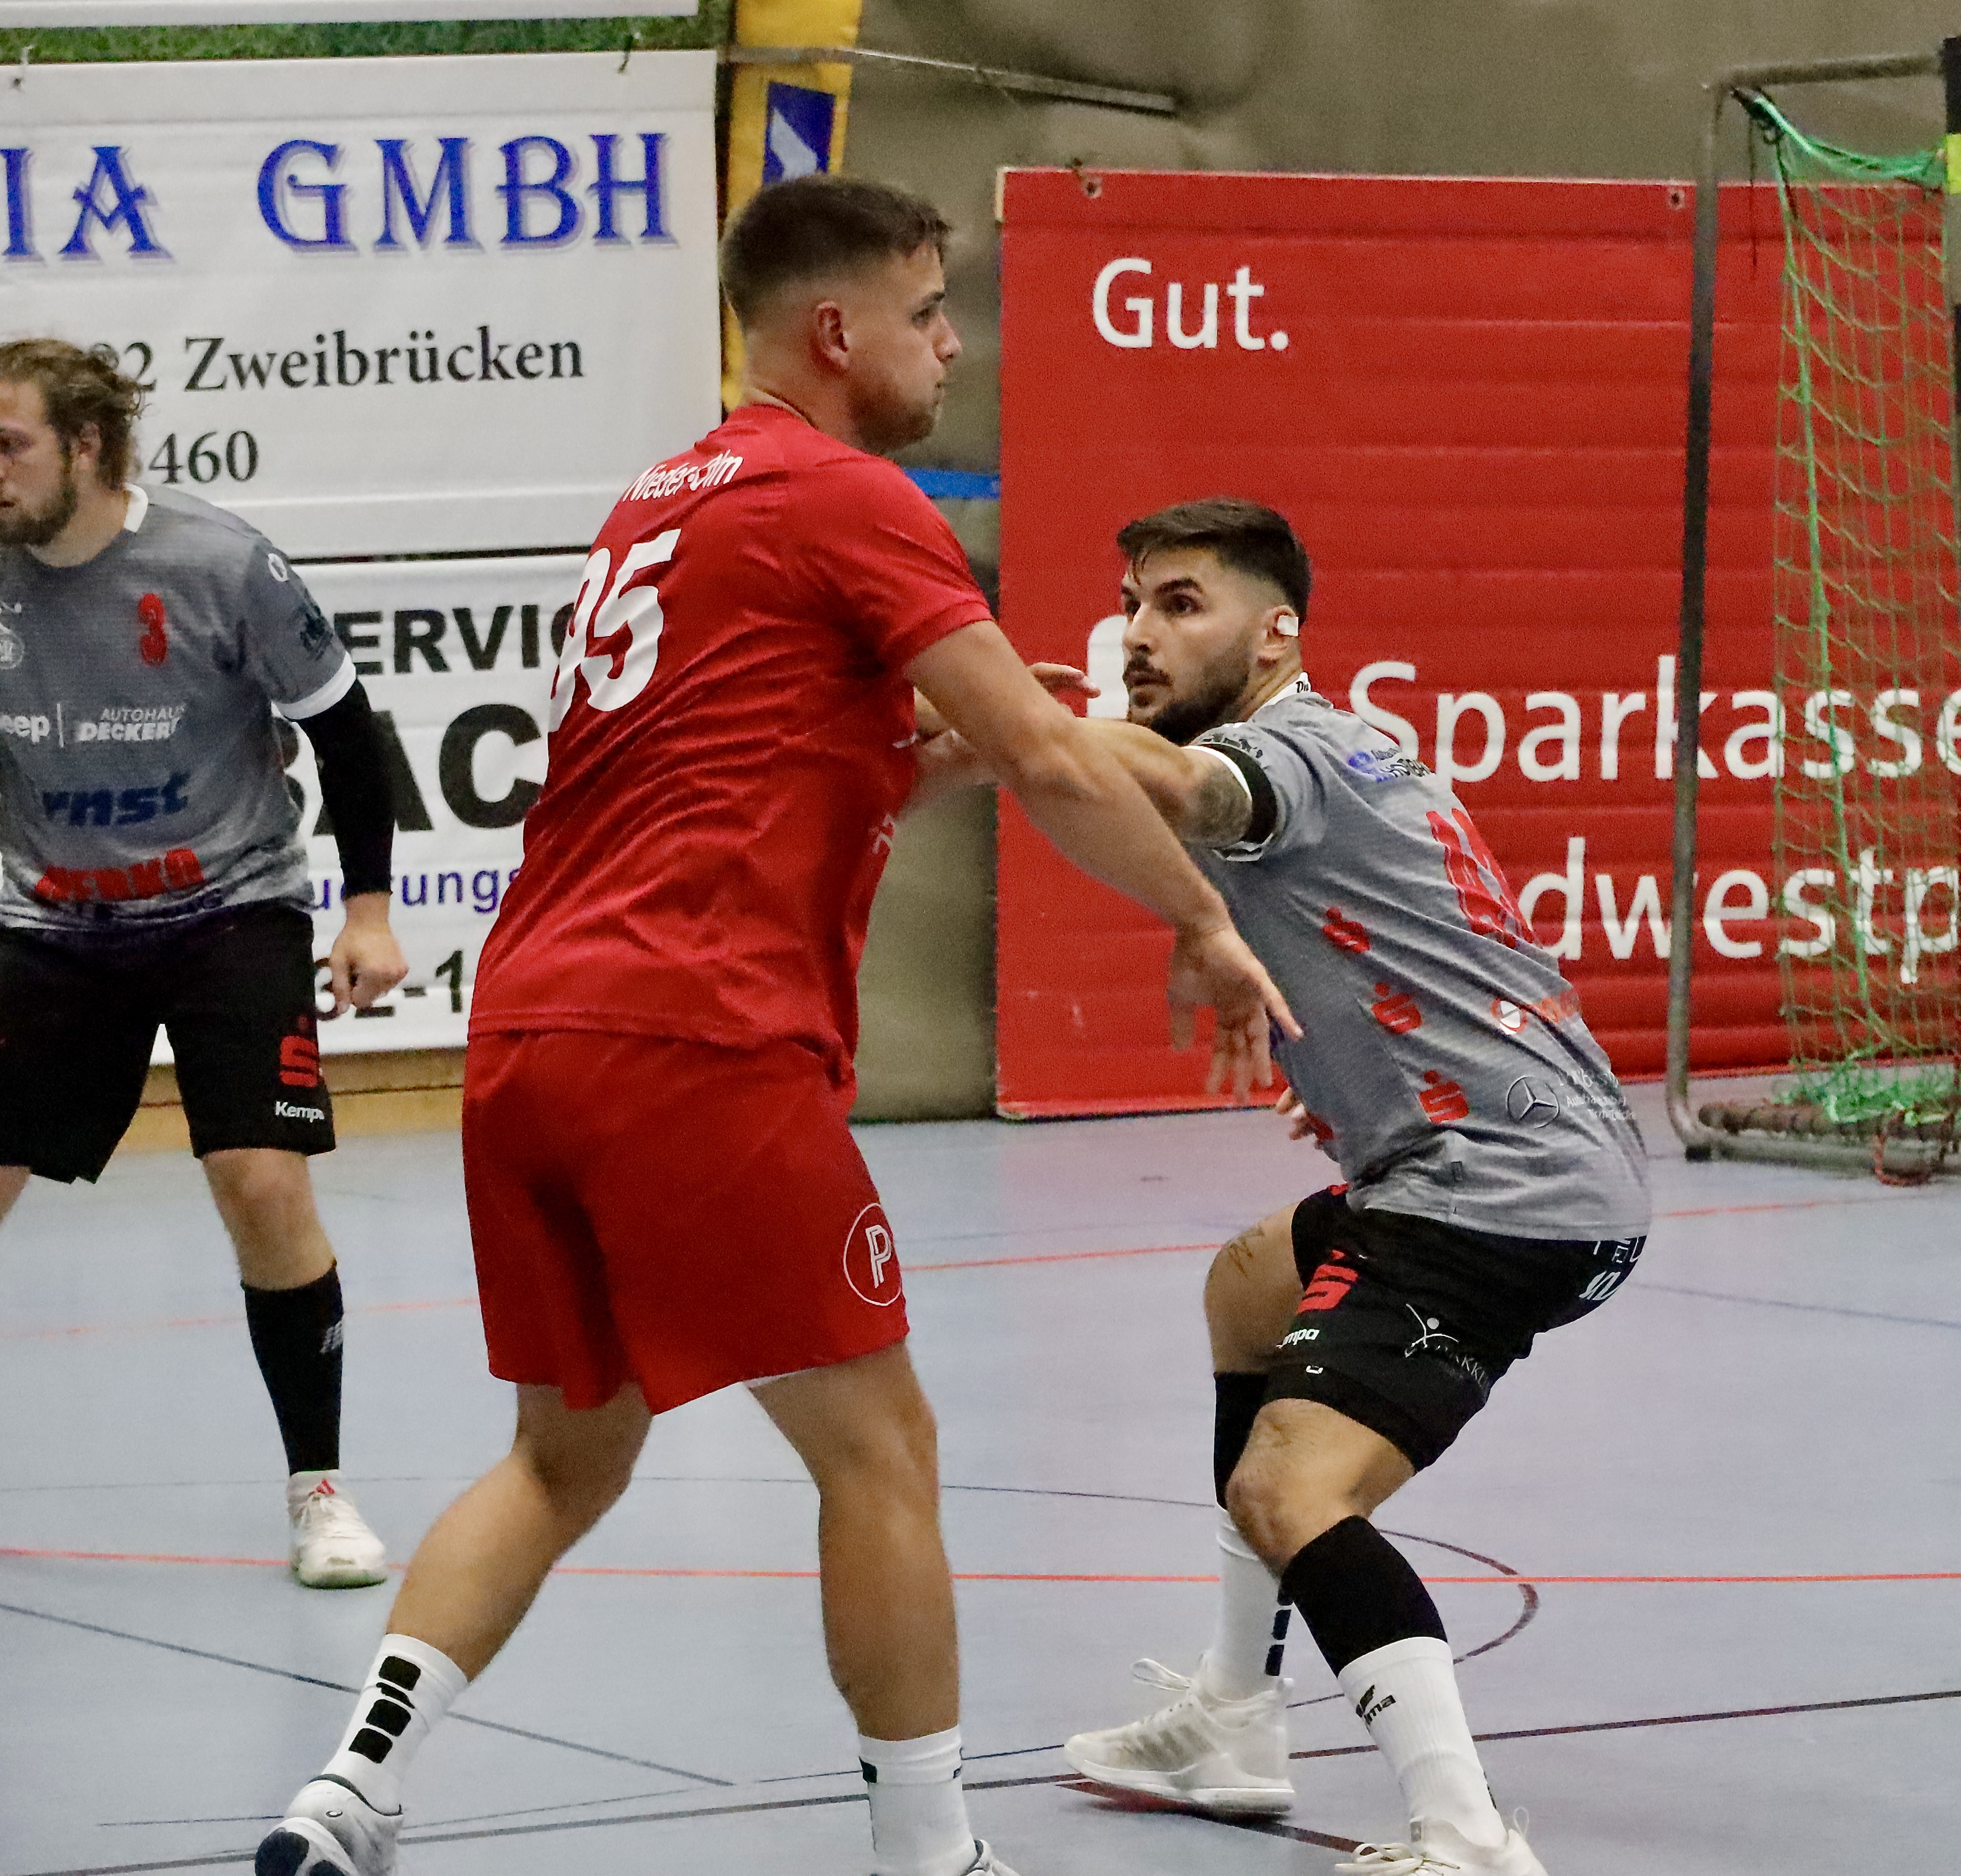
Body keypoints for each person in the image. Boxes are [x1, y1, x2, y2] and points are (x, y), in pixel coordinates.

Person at [255, 178, 1295, 1876]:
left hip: (530, 1038)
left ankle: (347, 1794)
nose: (951, 346)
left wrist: (934, 750)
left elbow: (779, 759)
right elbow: (1045, 757)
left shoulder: (662, 505)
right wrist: (1200, 918)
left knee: (566, 1453)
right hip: (700, 1038)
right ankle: (932, 1853)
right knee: (882, 1450)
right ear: (835, 330)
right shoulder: (844, 492)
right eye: (928, 314)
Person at [1024, 499, 1649, 1874]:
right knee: (1250, 1288)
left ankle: (1463, 1833)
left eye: (1181, 603)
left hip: (1494, 1193)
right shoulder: (1341, 742)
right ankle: (1235, 1721)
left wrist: (1004, 721)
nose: (1139, 634)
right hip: (1514, 1167)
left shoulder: (1285, 756)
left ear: (1276, 632)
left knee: (1290, 1493)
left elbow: (1174, 789)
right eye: (1131, 604)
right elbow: (1128, 804)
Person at [0, 338, 405, 1587]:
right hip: (49, 920)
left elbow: (346, 733)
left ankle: (319, 1489)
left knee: (259, 1180)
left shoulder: (221, 564)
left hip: (228, 905)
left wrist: (371, 912)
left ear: (88, 447)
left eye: (9, 444)